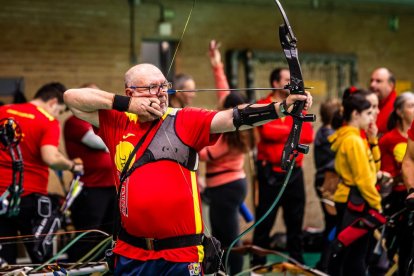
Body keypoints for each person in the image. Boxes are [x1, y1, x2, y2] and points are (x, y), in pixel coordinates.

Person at [63, 63, 312, 275]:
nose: (161, 93)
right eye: (152, 87)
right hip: (131, 252)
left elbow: (231, 118)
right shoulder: (116, 121)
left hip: (181, 254)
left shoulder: (183, 119)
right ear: (130, 93)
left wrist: (280, 109)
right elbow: (72, 98)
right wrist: (125, 105)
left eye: (164, 85)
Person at [0, 82, 84, 264]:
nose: (58, 116)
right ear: (53, 102)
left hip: (2, 197)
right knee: (43, 261)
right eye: (60, 111)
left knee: (4, 261)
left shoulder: (4, 110)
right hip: (29, 197)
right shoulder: (47, 120)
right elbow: (51, 157)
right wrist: (71, 166)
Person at [197, 40, 251, 275]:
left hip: (225, 189)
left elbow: (205, 153)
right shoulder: (237, 119)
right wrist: (216, 64)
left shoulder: (229, 134)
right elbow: (224, 92)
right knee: (223, 235)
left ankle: (234, 273)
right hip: (231, 187)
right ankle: (224, 271)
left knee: (229, 238)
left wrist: (185, 136)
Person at [251, 67, 314, 265]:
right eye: (288, 80)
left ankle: (297, 263)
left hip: (294, 172)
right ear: (276, 83)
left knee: (295, 222)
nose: (294, 84)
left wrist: (296, 116)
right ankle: (257, 264)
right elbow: (268, 132)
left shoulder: (300, 107)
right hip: (270, 172)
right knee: (264, 221)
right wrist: (290, 130)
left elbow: (307, 136)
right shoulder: (263, 105)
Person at [327, 91, 382, 276]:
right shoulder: (353, 141)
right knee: (355, 255)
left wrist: (373, 140)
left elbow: (372, 170)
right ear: (355, 114)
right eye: (368, 113)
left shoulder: (357, 138)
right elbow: (364, 178)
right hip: (354, 201)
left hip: (354, 199)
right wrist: (377, 204)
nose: (371, 117)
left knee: (351, 253)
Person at [64, 83, 117, 261]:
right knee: (89, 233)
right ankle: (78, 269)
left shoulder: (103, 120)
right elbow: (102, 142)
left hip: (111, 185)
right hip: (91, 187)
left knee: (110, 232)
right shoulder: (75, 121)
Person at [379, 91, 414, 275]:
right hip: (401, 197)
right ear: (400, 112)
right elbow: (388, 173)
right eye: (411, 106)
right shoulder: (389, 139)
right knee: (405, 247)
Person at [313, 97, 341, 272]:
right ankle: (325, 265)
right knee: (333, 225)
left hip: (326, 182)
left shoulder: (324, 132)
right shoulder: (330, 136)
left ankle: (327, 263)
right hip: (329, 184)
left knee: (332, 224)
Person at [369, 67, 397, 137]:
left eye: (378, 81)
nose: (372, 85)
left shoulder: (398, 108)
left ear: (391, 85)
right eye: (371, 80)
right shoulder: (367, 104)